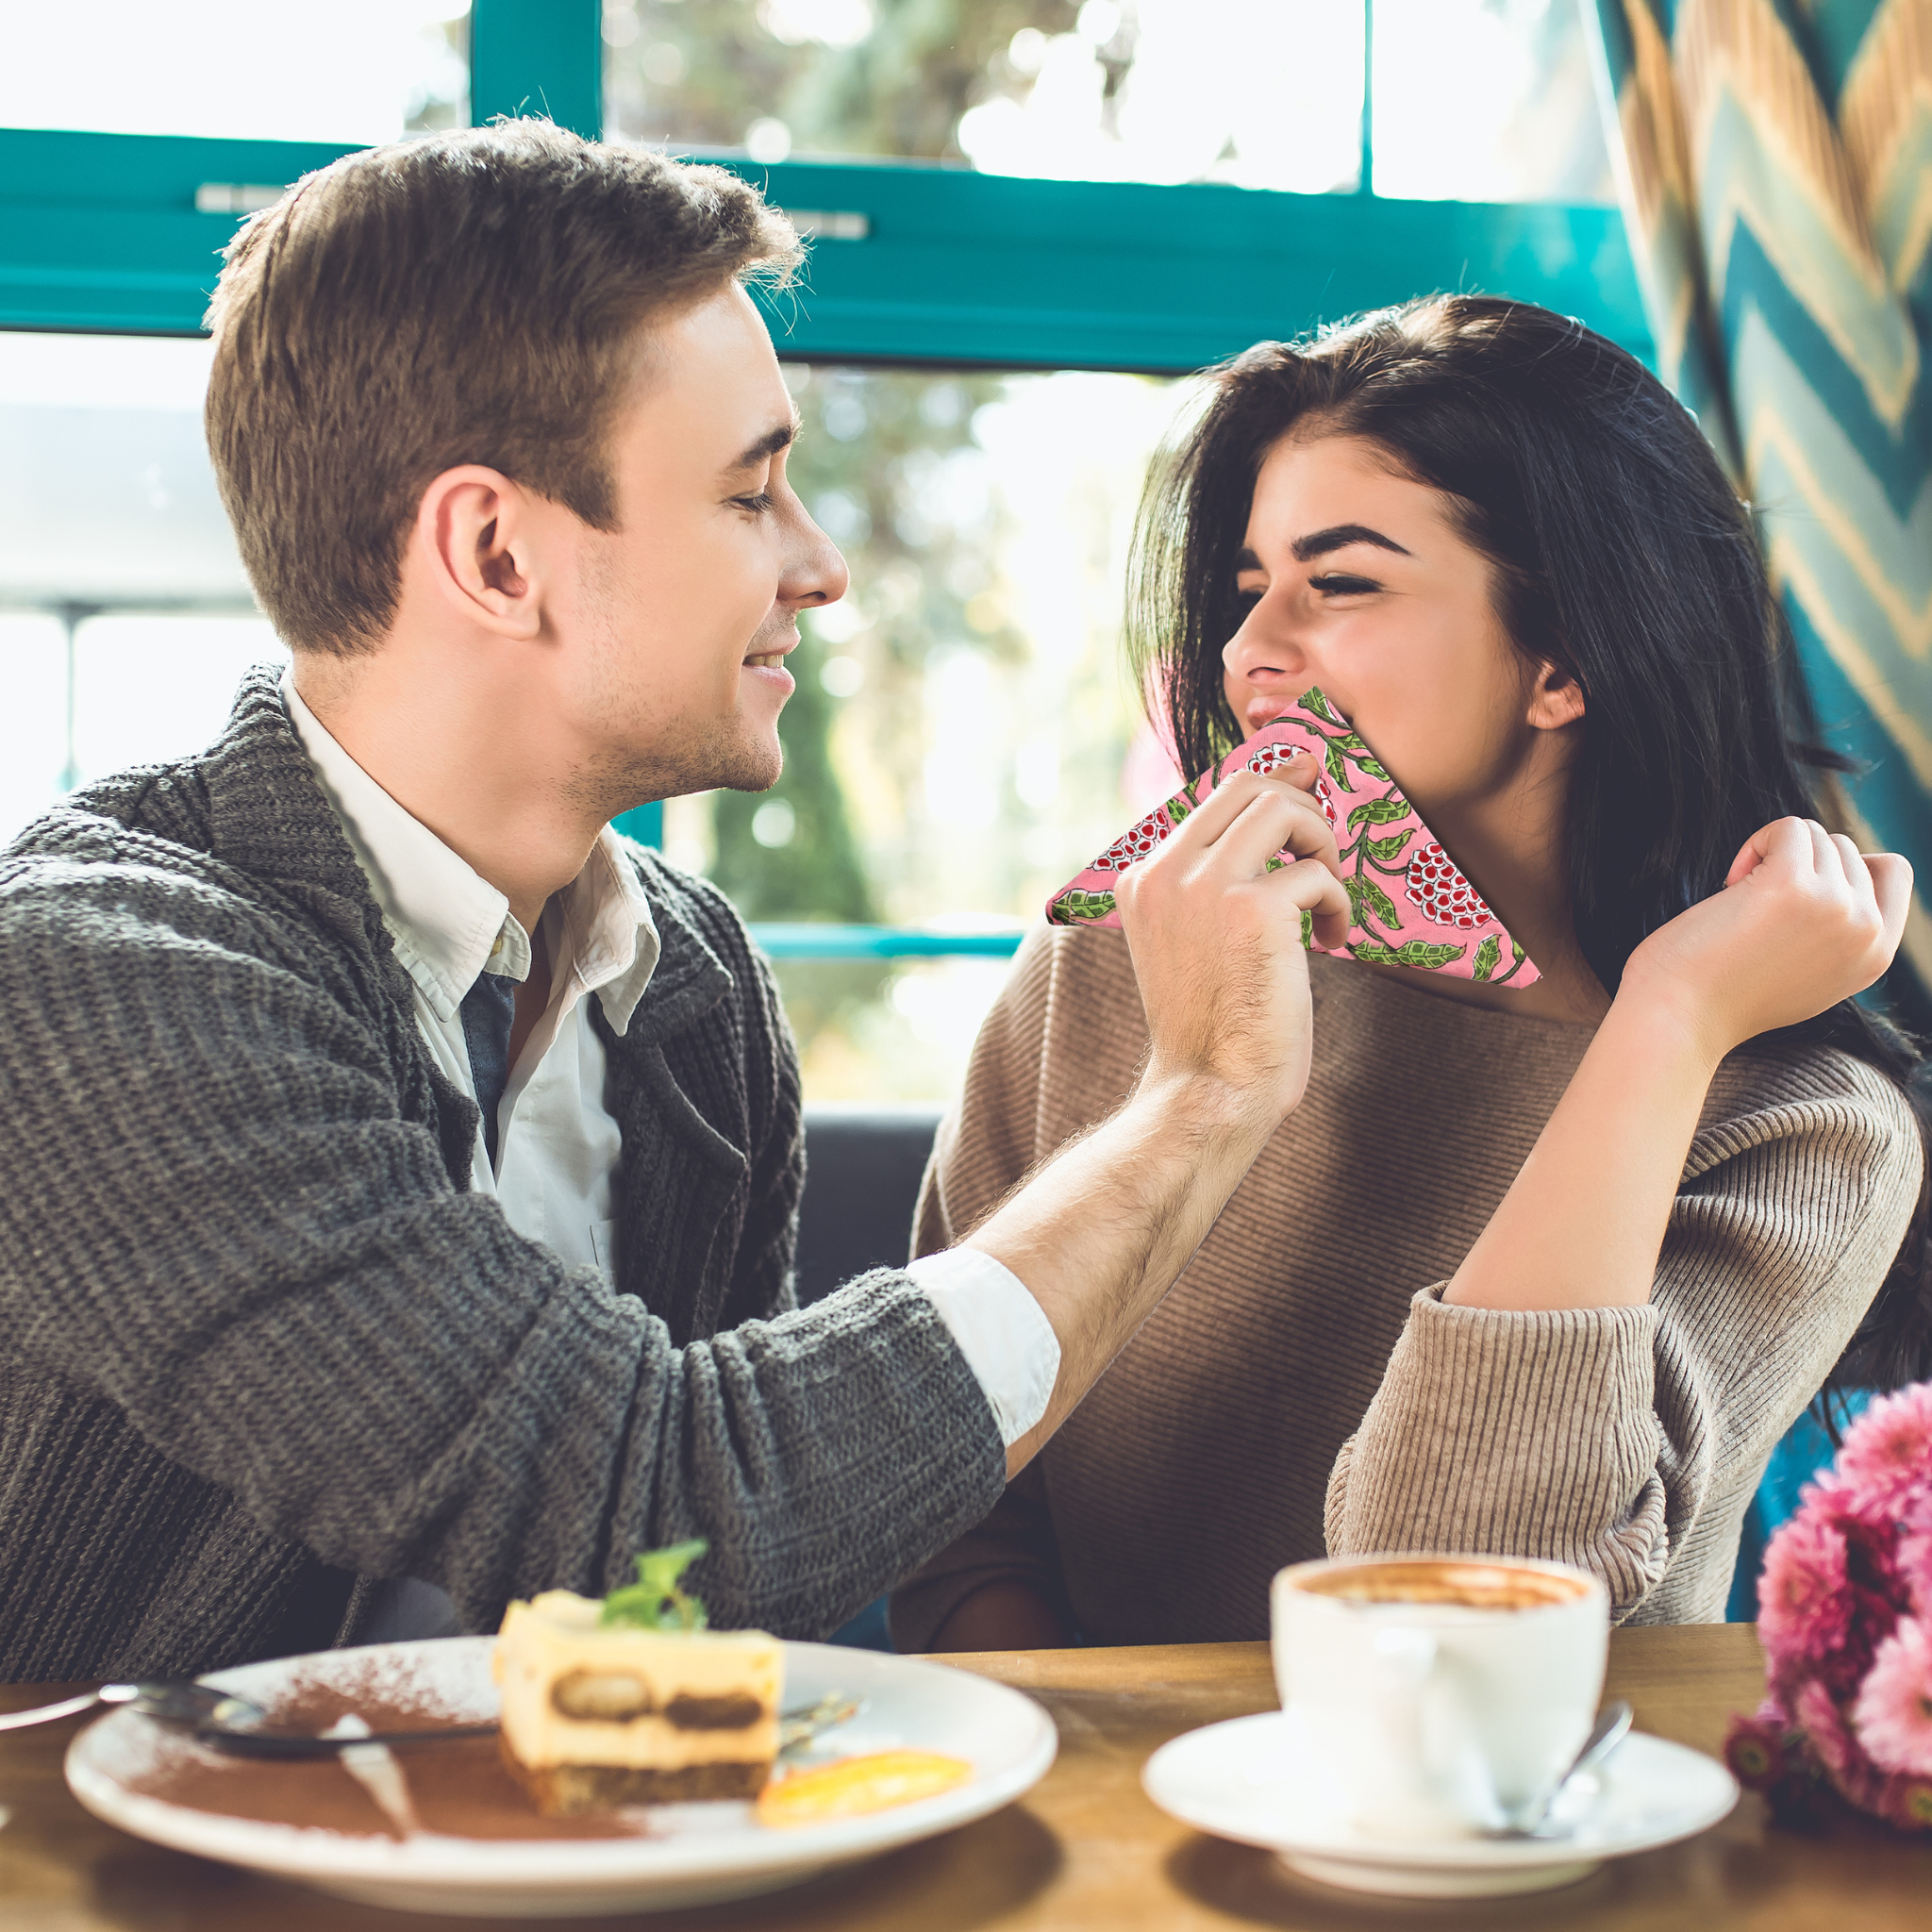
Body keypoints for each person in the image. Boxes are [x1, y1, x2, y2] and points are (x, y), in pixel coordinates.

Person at [0, 123, 1354, 1681]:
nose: (821, 563)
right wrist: (1196, 1097)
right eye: (748, 495)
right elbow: (656, 1512)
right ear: (498, 554)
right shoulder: (93, 973)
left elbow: (711, 1620)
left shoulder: (693, 981)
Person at [891, 294, 1926, 1653]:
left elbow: (1455, 1611)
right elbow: (945, 1493)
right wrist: (1092, 1796)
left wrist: (1668, 1023)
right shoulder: (1116, 965)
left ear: (1564, 661)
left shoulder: (1807, 1127)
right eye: (1249, 584)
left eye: (1343, 582)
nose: (1251, 652)